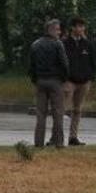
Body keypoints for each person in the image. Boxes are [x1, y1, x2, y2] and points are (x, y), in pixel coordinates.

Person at [30, 19, 69, 148]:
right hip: (55, 80)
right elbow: (64, 64)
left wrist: (35, 80)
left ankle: (38, 142)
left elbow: (32, 65)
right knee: (58, 112)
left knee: (41, 113)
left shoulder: (35, 44)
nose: (60, 32)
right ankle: (58, 142)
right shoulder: (58, 44)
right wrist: (63, 79)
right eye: (57, 29)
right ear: (51, 30)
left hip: (40, 81)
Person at [63, 17, 96, 146]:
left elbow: (93, 62)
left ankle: (73, 137)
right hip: (69, 80)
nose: (81, 29)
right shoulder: (65, 43)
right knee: (62, 108)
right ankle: (57, 136)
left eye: (82, 26)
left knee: (77, 110)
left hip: (84, 81)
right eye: (78, 26)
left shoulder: (87, 44)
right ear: (72, 28)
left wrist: (91, 78)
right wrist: (64, 77)